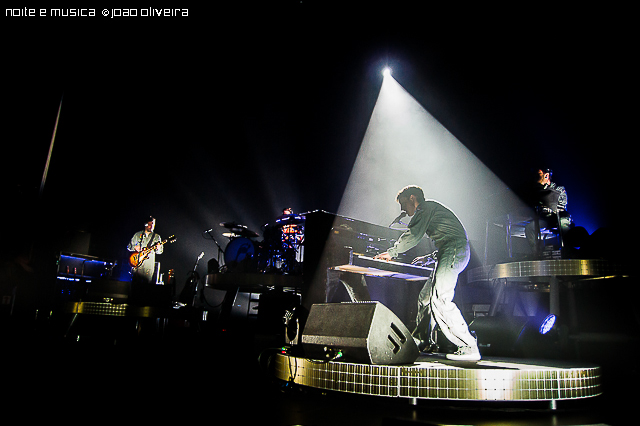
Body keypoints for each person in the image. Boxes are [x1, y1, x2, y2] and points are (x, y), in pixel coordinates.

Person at [375, 185, 480, 361]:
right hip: (449, 251)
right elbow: (447, 236)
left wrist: (392, 252)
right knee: (425, 298)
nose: (402, 209)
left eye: (403, 204)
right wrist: (430, 257)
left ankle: (468, 346)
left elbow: (414, 234)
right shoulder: (431, 210)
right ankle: (422, 342)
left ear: (412, 198)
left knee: (440, 298)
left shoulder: (425, 207)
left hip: (454, 250)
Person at [523, 168, 571, 256]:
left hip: (558, 218)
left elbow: (561, 206)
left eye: (539, 174)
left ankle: (568, 250)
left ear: (546, 175)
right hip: (545, 220)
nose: (537, 176)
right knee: (529, 228)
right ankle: (536, 253)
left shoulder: (558, 189)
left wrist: (547, 206)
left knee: (563, 223)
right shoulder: (536, 190)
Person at [127, 216, 163, 284]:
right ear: (146, 224)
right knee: (135, 285)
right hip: (137, 265)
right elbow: (129, 247)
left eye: (153, 224)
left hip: (149, 266)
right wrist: (135, 247)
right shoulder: (137, 235)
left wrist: (158, 248)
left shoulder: (157, 237)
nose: (151, 226)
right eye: (150, 224)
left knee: (146, 287)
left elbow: (160, 251)